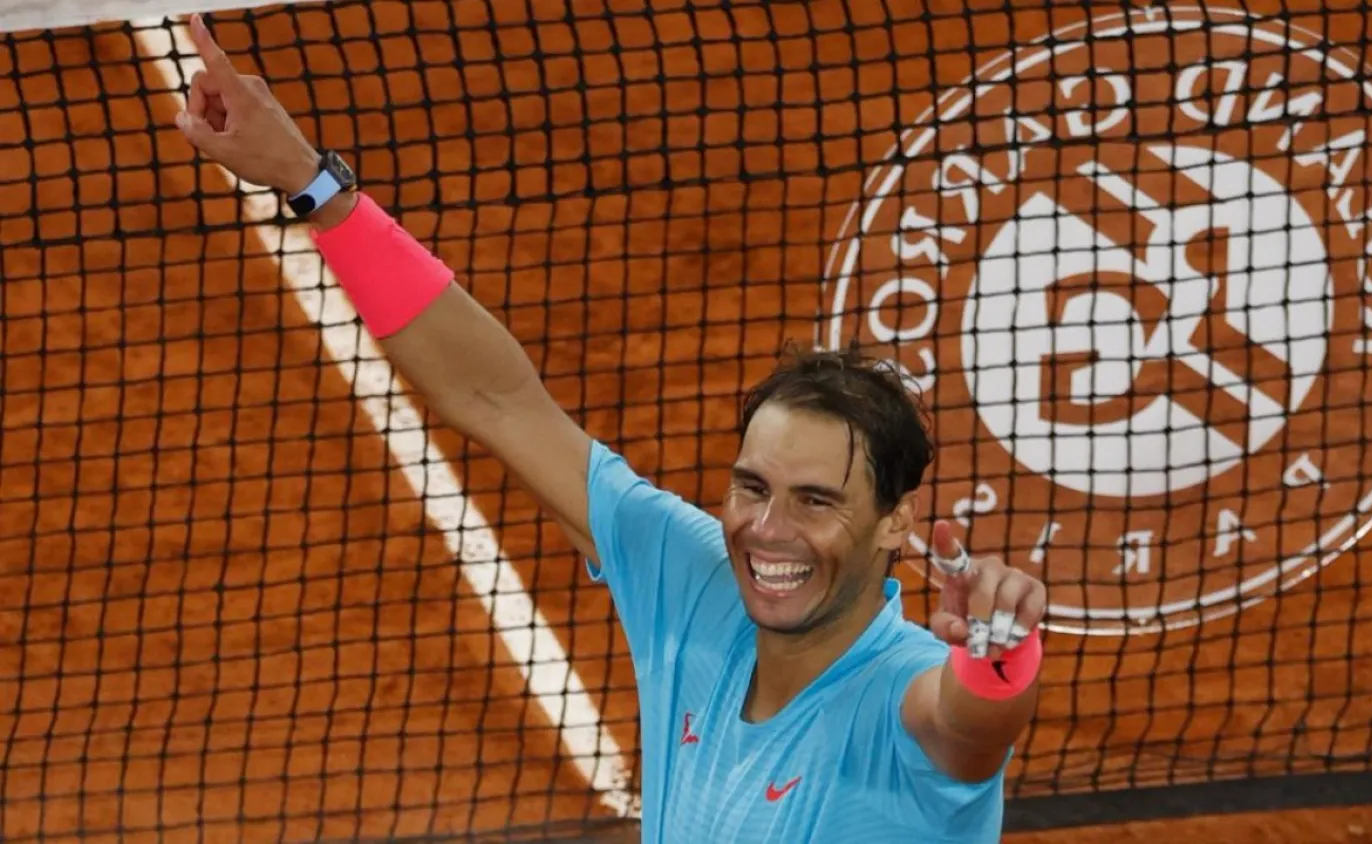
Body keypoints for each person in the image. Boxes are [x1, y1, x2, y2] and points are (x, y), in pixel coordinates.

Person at [173, 13, 1047, 842]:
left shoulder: (901, 699)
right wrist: (310, 183)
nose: (767, 531)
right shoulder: (692, 572)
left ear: (898, 519)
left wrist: (999, 655)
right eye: (753, 487)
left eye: (817, 500)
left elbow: (967, 725)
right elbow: (499, 400)